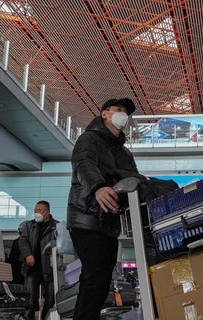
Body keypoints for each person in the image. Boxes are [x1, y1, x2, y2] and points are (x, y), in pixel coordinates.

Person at [67, 97, 139, 319]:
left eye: (125, 112)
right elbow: (83, 163)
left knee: (99, 278)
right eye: (118, 110)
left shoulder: (124, 152)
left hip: (109, 222)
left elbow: (132, 178)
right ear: (104, 114)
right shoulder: (89, 138)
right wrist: (98, 187)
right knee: (96, 275)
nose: (123, 115)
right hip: (86, 216)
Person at [19, 200, 58, 320]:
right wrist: (27, 255)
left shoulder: (56, 226)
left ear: (47, 212)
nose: (36, 213)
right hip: (32, 269)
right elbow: (23, 240)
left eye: (39, 211)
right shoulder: (29, 225)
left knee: (51, 298)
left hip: (50, 269)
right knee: (30, 298)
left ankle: (45, 317)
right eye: (35, 210)